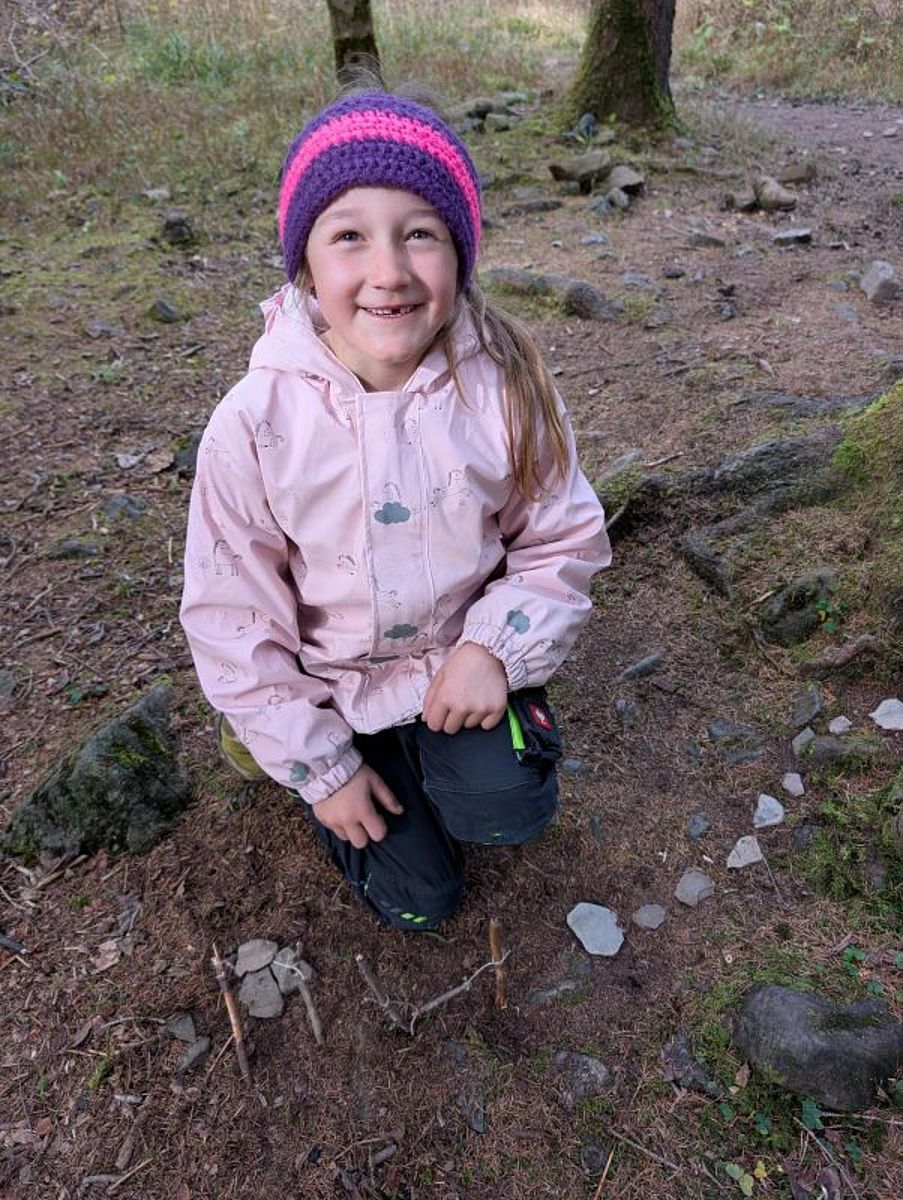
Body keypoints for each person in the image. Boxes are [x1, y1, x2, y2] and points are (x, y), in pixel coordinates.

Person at [180, 86, 611, 931]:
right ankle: (309, 754)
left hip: (458, 663)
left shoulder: (507, 389)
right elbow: (232, 613)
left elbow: (560, 539)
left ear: (459, 253)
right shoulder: (254, 423)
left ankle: (481, 733)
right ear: (305, 264)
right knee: (422, 901)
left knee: (507, 812)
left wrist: (493, 648)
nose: (389, 271)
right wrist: (322, 771)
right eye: (349, 236)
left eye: (420, 233)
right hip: (331, 687)